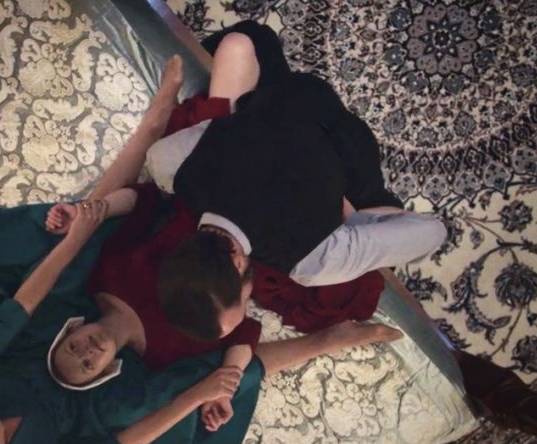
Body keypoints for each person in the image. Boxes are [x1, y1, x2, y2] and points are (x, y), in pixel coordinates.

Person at [42, 55, 401, 432]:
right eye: (88, 365)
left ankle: (288, 122)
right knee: (336, 278)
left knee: (241, 75)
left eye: (73, 347)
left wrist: (93, 210)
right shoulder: (162, 354)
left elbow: (144, 203)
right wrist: (225, 389)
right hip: (253, 254)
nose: (87, 351)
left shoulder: (103, 280)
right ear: (106, 371)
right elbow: (242, 331)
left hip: (207, 209)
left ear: (71, 330)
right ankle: (327, 165)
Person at [142, 22, 448, 342]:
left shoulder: (311, 263)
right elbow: (223, 128)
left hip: (347, 145)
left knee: (383, 218)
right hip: (290, 94)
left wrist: (347, 215)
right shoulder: (167, 164)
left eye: (244, 301)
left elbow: (434, 232)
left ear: (238, 262)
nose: (250, 301)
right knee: (250, 41)